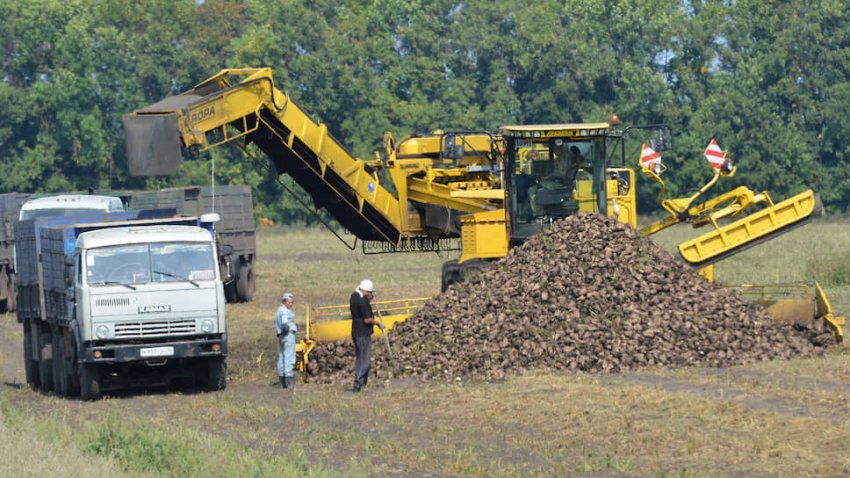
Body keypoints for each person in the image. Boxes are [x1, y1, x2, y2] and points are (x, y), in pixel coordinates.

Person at [350, 279, 380, 392]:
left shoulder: (354, 296)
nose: (370, 295)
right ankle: (358, 384)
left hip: (356, 332)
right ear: (365, 291)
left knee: (361, 359)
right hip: (362, 333)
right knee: (364, 360)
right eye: (369, 293)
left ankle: (362, 383)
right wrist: (378, 323)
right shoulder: (362, 302)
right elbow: (367, 319)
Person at [274, 292, 297, 389]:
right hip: (288, 334)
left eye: (292, 302)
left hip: (282, 336)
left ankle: (281, 378)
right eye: (289, 302)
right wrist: (286, 328)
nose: (291, 304)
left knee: (282, 356)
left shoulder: (279, 311)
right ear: (284, 302)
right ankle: (289, 378)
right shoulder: (284, 311)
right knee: (289, 356)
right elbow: (284, 322)